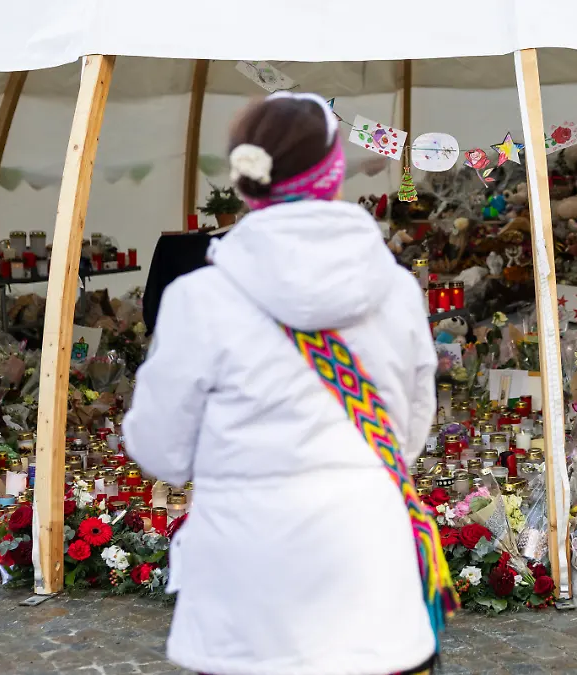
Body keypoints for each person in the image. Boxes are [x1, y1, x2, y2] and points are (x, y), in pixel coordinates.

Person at [124, 92, 456, 675]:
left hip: (245, 596)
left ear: (245, 183)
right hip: (368, 579)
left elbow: (161, 452)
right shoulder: (398, 291)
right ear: (334, 174)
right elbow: (407, 435)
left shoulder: (198, 299)